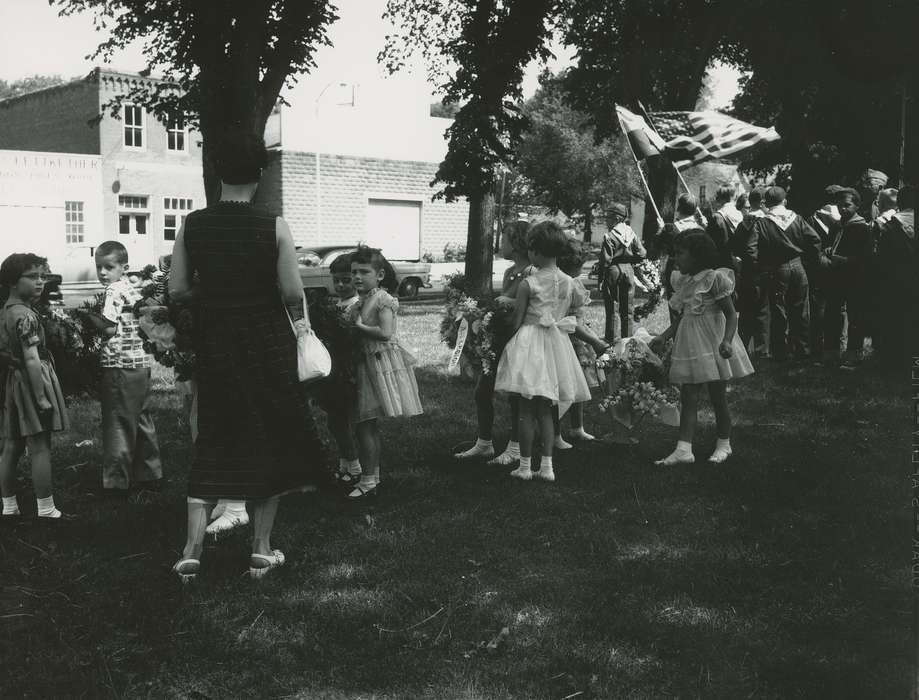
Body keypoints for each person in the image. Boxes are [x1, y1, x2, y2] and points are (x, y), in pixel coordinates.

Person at [169, 129, 329, 582]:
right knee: (268, 436)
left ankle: (190, 551)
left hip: (216, 340)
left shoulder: (192, 225)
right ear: (258, 174)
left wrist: (215, 288)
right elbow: (293, 291)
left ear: (217, 171)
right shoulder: (273, 224)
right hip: (266, 343)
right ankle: (260, 550)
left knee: (215, 435)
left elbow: (178, 289)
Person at [494, 221, 591, 482]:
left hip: (530, 345)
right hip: (556, 344)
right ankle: (547, 466)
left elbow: (517, 319)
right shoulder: (570, 283)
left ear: (535, 251)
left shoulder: (529, 283)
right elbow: (571, 312)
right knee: (547, 408)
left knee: (526, 408)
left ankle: (525, 466)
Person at [649, 232, 753, 466]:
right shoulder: (684, 281)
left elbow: (730, 314)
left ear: (697, 256)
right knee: (689, 394)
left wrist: (726, 340)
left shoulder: (715, 278)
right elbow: (682, 316)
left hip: (713, 343)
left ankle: (724, 443)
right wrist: (665, 336)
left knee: (717, 396)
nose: (676, 259)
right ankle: (684, 449)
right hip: (690, 343)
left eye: (680, 254)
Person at [347, 245, 423, 500]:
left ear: (379, 275)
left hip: (378, 366)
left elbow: (386, 333)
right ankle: (372, 475)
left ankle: (369, 480)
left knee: (364, 424)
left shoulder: (382, 299)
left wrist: (358, 327)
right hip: (365, 364)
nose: (357, 277)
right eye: (354, 272)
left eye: (364, 272)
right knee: (364, 425)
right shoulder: (363, 299)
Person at [0, 254, 70, 519]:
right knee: (40, 445)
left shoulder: (6, 312)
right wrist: (41, 396)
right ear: (12, 282)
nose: (40, 281)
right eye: (32, 276)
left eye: (42, 276)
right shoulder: (25, 316)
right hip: (32, 380)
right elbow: (31, 357)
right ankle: (46, 507)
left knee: (12, 444)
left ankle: (9, 506)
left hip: (14, 382)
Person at [454, 220, 530, 465]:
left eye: (505, 238)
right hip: (498, 337)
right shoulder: (510, 272)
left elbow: (518, 304)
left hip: (518, 337)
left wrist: (495, 308)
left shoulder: (530, 272)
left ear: (517, 244)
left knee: (516, 395)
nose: (501, 243)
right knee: (482, 390)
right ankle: (484, 443)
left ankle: (516, 447)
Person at [91, 241, 162, 495]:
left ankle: (116, 482)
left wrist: (87, 318)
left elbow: (109, 327)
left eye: (108, 267)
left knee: (118, 421)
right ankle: (150, 474)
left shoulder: (113, 290)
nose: (102, 273)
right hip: (141, 364)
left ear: (124, 267)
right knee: (142, 418)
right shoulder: (134, 290)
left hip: (119, 364)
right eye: (99, 267)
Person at [745, 186, 823, 361]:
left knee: (779, 311)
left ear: (767, 203)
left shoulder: (762, 223)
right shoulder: (797, 219)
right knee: (801, 309)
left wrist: (759, 268)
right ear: (784, 201)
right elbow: (815, 240)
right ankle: (802, 349)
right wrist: (810, 262)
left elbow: (751, 250)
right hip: (798, 266)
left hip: (776, 269)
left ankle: (781, 351)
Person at [314, 252, 363, 488]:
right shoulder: (335, 304)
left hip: (348, 372)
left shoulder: (357, 306)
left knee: (341, 420)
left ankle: (354, 465)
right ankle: (346, 463)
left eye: (346, 279)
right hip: (333, 370)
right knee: (335, 420)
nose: (341, 285)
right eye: (336, 280)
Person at [558, 239, 610, 442]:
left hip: (579, 334)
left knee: (579, 385)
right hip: (571, 337)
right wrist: (595, 341)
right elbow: (570, 320)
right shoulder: (567, 284)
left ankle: (576, 427)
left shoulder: (572, 282)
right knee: (565, 384)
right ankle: (558, 428)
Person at [824, 188, 874, 368]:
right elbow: (830, 245)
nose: (843, 209)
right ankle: (831, 352)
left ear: (857, 205)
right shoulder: (836, 225)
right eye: (839, 206)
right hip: (836, 276)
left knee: (855, 316)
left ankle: (853, 354)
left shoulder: (862, 227)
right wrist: (829, 250)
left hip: (855, 277)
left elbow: (867, 257)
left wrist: (845, 260)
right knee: (832, 313)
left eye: (847, 205)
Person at [875, 184, 916, 370]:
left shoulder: (891, 224)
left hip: (897, 277)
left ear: (900, 201)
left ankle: (897, 359)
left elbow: (883, 256)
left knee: (897, 317)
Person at [804, 186, 844, 359]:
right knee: (829, 309)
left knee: (822, 309)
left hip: (823, 269)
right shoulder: (840, 218)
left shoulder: (815, 218)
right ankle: (828, 347)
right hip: (827, 269)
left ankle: (822, 347)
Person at [599, 203, 646, 343]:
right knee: (628, 308)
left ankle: (611, 342)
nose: (606, 220)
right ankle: (628, 340)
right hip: (628, 271)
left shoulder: (610, 236)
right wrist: (631, 260)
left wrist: (601, 279)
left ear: (617, 218)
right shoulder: (631, 233)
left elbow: (605, 260)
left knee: (612, 308)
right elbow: (642, 253)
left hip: (613, 270)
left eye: (608, 217)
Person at [732, 187, 770, 357]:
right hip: (760, 270)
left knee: (746, 312)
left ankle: (743, 346)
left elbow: (734, 245)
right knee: (762, 311)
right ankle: (761, 349)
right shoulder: (765, 221)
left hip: (745, 272)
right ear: (762, 203)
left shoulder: (743, 222)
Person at [707, 185, 742, 270]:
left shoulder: (717, 216)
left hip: (721, 261)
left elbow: (710, 241)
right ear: (734, 197)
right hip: (737, 260)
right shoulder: (740, 214)